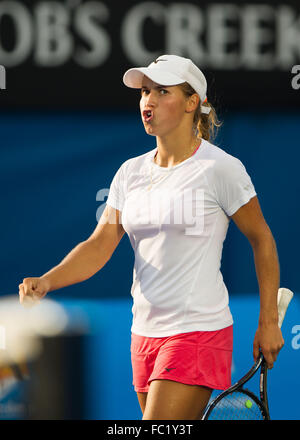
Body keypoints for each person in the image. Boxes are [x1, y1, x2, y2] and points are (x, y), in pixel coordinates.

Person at [19, 55, 284, 420]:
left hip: (197, 330)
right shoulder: (129, 172)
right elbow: (99, 244)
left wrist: (267, 320)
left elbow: (262, 239)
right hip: (143, 334)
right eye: (145, 91)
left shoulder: (221, 168)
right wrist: (48, 280)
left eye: (162, 91)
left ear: (193, 102)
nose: (148, 101)